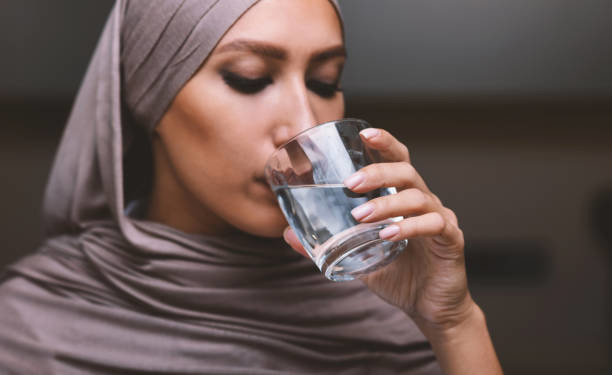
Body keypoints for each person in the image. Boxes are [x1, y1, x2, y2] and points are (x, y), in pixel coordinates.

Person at [0, 0, 503, 374]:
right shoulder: (29, 331)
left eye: (325, 82)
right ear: (145, 94)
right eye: (249, 78)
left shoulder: (387, 308)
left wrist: (454, 324)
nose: (303, 127)